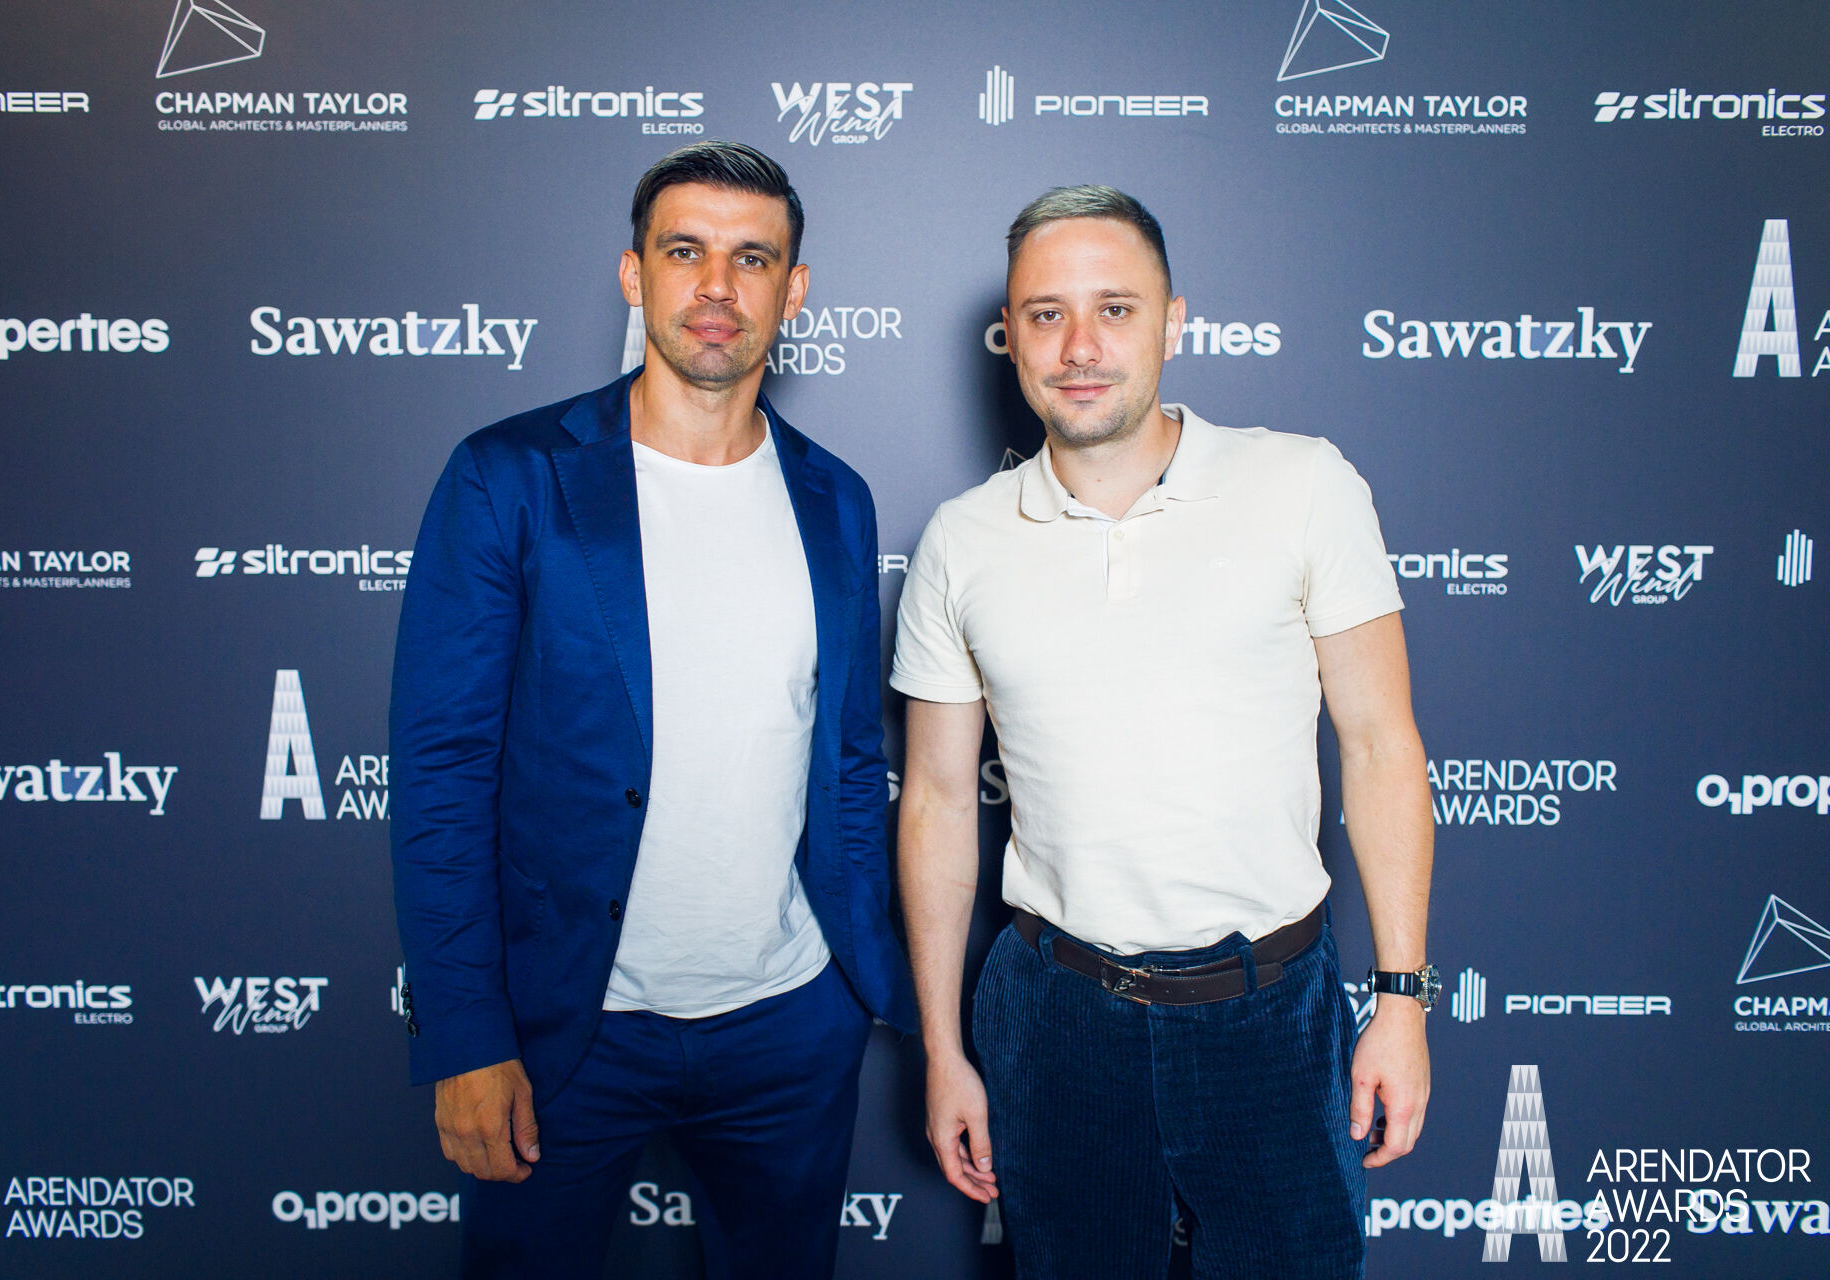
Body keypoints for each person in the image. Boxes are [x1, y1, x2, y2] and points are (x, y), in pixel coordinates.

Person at [390, 140, 917, 1280]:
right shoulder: (510, 476)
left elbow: (845, 759)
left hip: (790, 1025)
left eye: (751, 258)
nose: (717, 286)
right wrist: (467, 1033)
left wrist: (848, 986)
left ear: (794, 289)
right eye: (685, 251)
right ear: (634, 273)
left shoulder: (835, 496)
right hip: (567, 1029)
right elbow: (440, 775)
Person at [892, 186, 1437, 1279]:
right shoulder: (962, 540)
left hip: (1269, 1014)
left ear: (1173, 322)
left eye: (1115, 309)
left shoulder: (1303, 483)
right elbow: (940, 800)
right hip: (1055, 1021)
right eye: (1046, 314)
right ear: (1011, 336)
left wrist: (1403, 1001)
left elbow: (1382, 746)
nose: (1080, 347)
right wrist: (945, 1049)